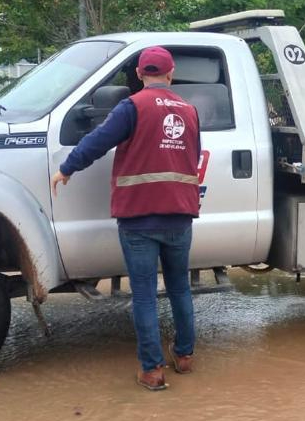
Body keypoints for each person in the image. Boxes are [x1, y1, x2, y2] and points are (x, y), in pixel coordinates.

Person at [50, 46, 201, 391]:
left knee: (145, 295)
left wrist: (66, 169)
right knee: (180, 287)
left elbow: (97, 141)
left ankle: (152, 371)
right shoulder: (189, 111)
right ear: (171, 73)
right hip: (180, 214)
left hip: (139, 219)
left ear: (138, 74)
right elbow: (191, 155)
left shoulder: (131, 106)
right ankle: (185, 357)